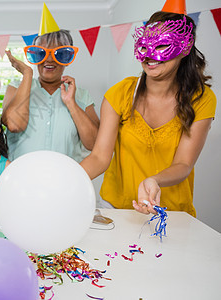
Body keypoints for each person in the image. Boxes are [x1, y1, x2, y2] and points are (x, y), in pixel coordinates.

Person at [80, 11, 217, 217]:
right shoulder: (120, 93)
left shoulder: (201, 98)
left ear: (185, 48)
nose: (150, 55)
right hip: (116, 209)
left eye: (161, 45)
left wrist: (154, 180)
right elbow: (99, 157)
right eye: (145, 45)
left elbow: (184, 163)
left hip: (172, 213)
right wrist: (66, 179)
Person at [2, 29, 99, 162]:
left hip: (65, 178)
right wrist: (27, 74)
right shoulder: (17, 87)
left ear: (67, 58)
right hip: (21, 177)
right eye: (41, 53)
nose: (49, 59)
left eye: (59, 54)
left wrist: (71, 103)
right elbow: (14, 125)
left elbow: (94, 144)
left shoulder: (82, 96)